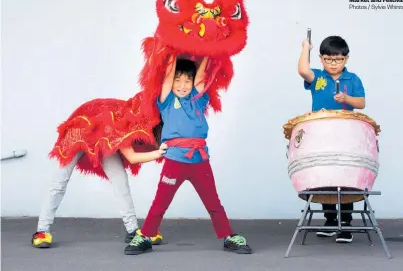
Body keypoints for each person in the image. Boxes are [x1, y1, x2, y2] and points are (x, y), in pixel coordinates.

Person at [124, 57, 253, 255]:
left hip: (200, 160)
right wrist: (172, 48)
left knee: (213, 202)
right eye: (178, 80)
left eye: (187, 81)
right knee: (160, 202)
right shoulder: (167, 101)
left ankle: (228, 236)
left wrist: (211, 53)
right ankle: (146, 235)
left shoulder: (198, 99)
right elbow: (167, 77)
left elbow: (201, 76)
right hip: (175, 160)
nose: (182, 85)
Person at [31, 126, 166, 249]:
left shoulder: (127, 126)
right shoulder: (124, 126)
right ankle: (41, 231)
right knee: (59, 182)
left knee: (120, 180)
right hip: (79, 131)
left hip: (105, 135)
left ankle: (132, 230)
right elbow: (132, 157)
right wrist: (160, 152)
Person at [298, 35, 366, 243]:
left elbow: (362, 103)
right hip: (321, 135)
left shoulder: (352, 79)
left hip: (346, 135)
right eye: (328, 59)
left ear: (346, 59)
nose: (332, 64)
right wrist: (305, 48)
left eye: (337, 59)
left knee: (345, 177)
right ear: (321, 59)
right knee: (325, 176)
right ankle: (329, 220)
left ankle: (345, 223)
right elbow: (302, 70)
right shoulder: (318, 77)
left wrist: (346, 99)